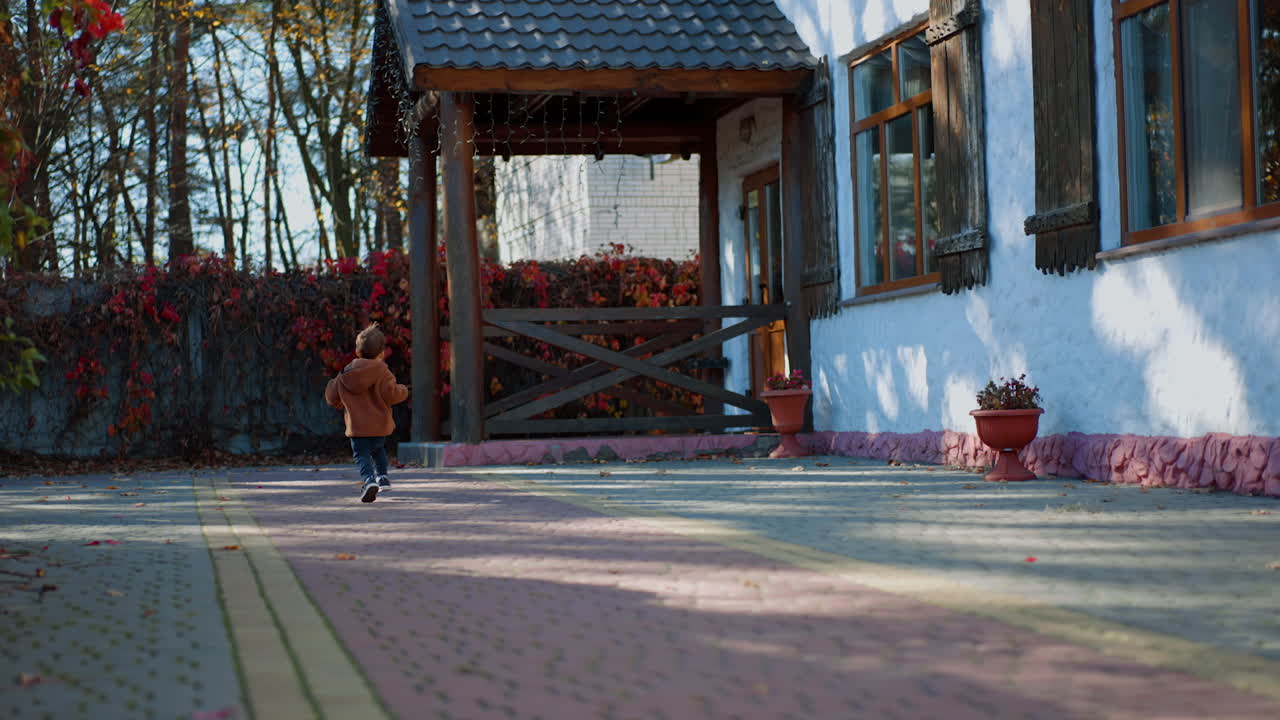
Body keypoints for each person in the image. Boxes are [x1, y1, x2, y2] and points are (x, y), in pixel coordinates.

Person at [324, 323, 408, 503]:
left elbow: (331, 395)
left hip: (357, 427)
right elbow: (391, 394)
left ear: (357, 351)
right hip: (379, 426)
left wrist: (338, 401)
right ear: (381, 353)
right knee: (378, 450)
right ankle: (383, 477)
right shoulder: (382, 371)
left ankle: (369, 480)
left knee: (361, 455)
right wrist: (403, 390)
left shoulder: (345, 373)